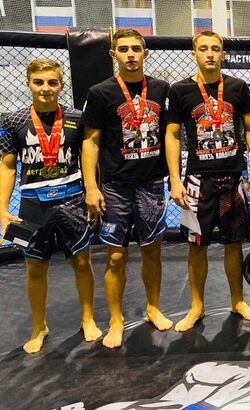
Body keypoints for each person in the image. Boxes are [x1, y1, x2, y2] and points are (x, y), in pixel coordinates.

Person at [166, 31, 250, 331]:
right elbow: (172, 135)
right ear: (193, 53)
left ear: (223, 54)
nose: (210, 54)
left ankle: (237, 301)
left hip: (233, 178)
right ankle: (197, 306)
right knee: (196, 246)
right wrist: (174, 179)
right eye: (203, 48)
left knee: (234, 243)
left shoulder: (237, 87)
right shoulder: (180, 90)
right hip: (198, 181)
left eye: (215, 49)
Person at [0, 58, 101, 353]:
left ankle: (88, 318)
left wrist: (92, 190)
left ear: (61, 85)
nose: (46, 88)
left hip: (72, 200)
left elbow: (89, 157)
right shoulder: (13, 121)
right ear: (28, 84)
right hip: (31, 205)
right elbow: (8, 167)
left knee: (82, 261)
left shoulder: (77, 117)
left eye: (52, 82)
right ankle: (39, 327)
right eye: (39, 82)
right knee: (34, 267)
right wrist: (2, 209)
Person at [82, 29, 171, 348]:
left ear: (145, 53)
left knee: (152, 250)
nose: (130, 54)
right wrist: (91, 187)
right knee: (116, 257)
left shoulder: (161, 89)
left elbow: (171, 135)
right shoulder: (100, 92)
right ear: (113, 55)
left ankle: (153, 308)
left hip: (151, 183)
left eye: (136, 48)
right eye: (123, 49)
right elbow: (91, 142)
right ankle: (116, 319)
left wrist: (174, 177)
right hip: (116, 187)